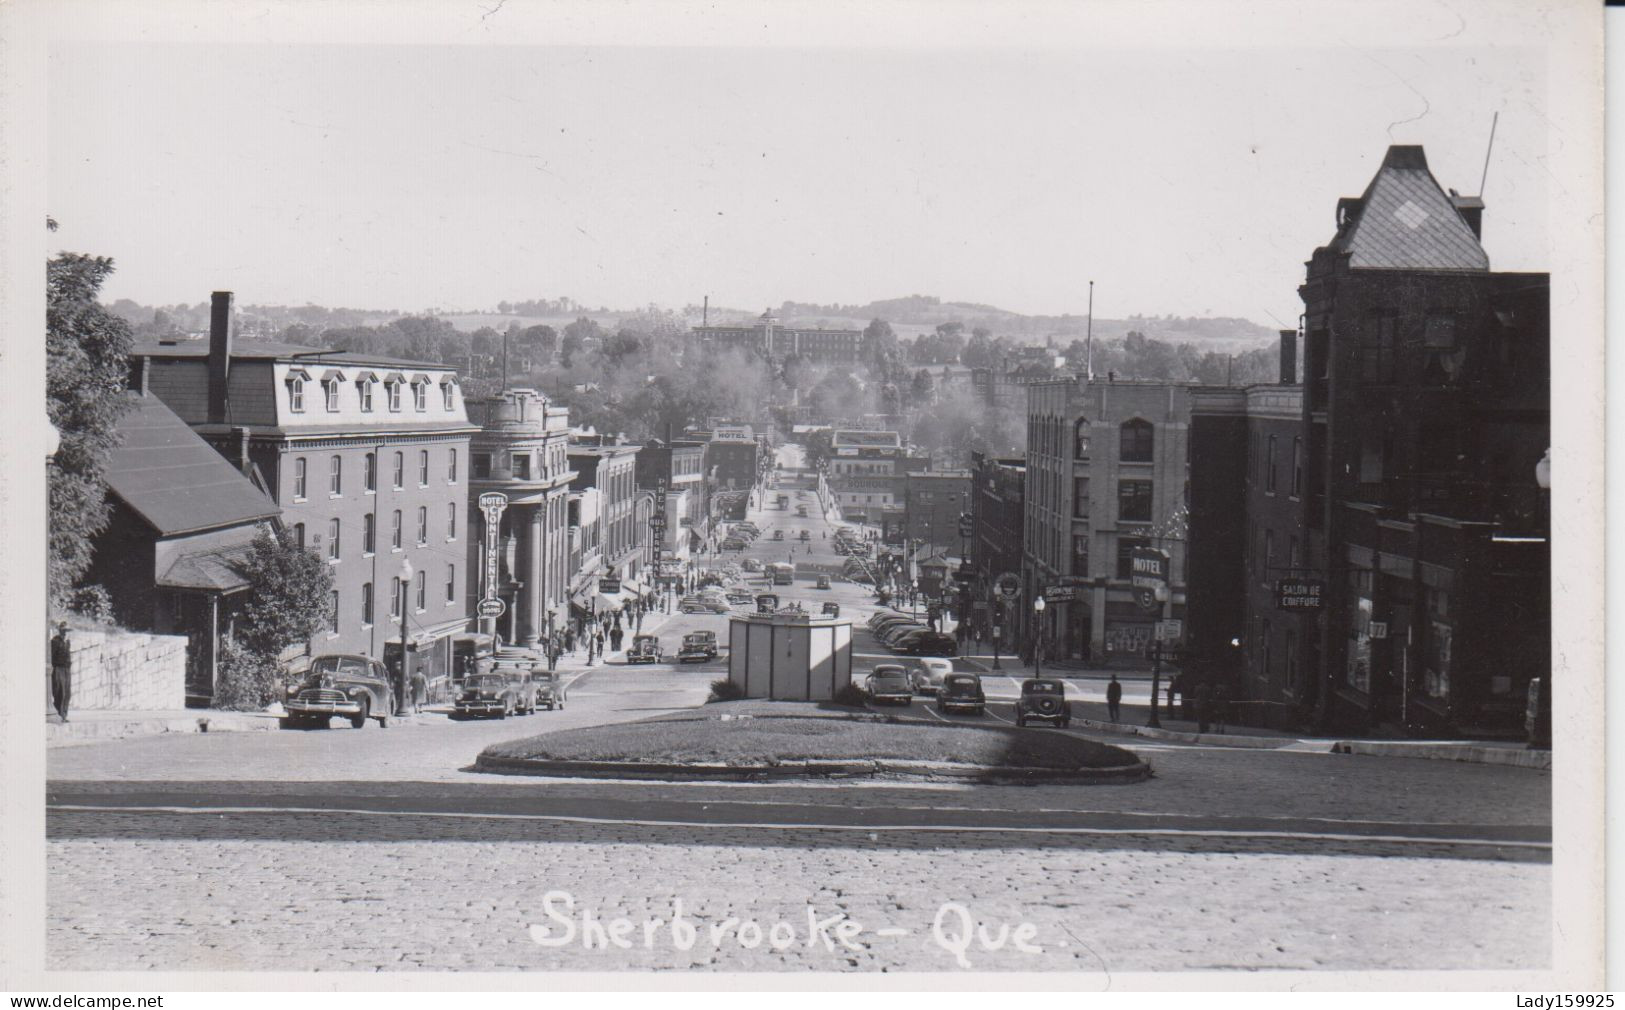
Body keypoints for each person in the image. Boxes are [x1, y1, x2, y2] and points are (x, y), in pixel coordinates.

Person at [49, 622, 71, 722]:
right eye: (64, 631)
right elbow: (51, 656)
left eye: (67, 631)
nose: (66, 633)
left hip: (67, 669)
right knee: (59, 691)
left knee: (67, 693)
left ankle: (64, 715)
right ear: (60, 631)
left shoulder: (68, 642)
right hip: (58, 668)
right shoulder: (55, 641)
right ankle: (59, 714)